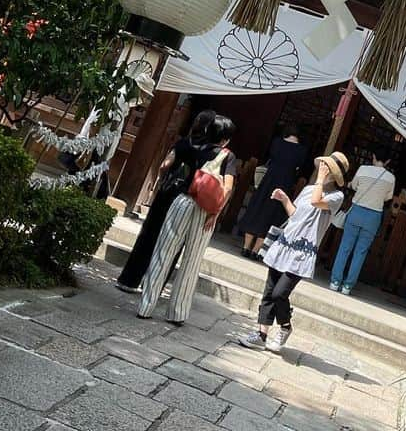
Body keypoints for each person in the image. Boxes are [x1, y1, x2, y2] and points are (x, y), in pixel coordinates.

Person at [237, 150, 349, 353]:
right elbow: (296, 215)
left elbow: (317, 202)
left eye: (328, 169)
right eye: (323, 167)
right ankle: (261, 334)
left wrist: (321, 180)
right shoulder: (308, 189)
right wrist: (284, 199)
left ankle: (285, 326)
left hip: (302, 251)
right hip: (285, 243)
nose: (323, 171)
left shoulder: (336, 196)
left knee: (280, 293)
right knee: (269, 291)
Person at [138, 113, 237, 326]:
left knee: (163, 252)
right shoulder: (228, 156)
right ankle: (177, 313)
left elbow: (169, 163)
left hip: (182, 201)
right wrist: (216, 213)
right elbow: (228, 188)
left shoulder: (193, 146)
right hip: (205, 211)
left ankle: (146, 305)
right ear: (226, 138)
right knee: (192, 260)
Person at [116, 109, 225, 294]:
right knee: (172, 243)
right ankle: (154, 286)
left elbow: (164, 165)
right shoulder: (211, 152)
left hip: (167, 193)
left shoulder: (183, 143)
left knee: (148, 235)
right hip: (187, 199)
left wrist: (161, 180)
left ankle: (129, 279)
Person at [330, 146, 395, 294]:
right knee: (361, 252)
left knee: (345, 247)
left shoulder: (363, 169)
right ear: (388, 161)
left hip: (357, 210)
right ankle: (347, 286)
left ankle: (335, 281)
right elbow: (388, 198)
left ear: (373, 156)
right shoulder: (391, 178)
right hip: (374, 216)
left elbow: (353, 186)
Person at [237, 128, 307, 258]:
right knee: (271, 216)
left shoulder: (276, 142)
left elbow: (268, 156)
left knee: (256, 210)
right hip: (285, 184)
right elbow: (300, 168)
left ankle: (246, 247)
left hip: (267, 181)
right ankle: (256, 251)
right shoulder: (302, 151)